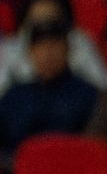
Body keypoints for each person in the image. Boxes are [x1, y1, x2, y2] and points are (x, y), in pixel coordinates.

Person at [0, 20, 99, 152]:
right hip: (16, 163)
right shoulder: (14, 96)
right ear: (30, 52)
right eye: (40, 45)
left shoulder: (88, 95)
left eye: (54, 44)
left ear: (68, 48)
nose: (47, 52)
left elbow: (94, 146)